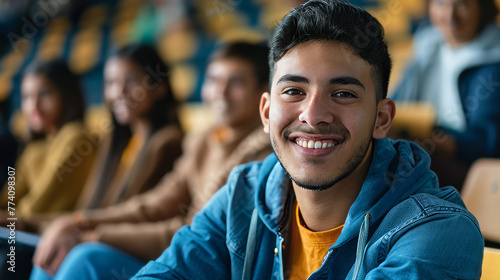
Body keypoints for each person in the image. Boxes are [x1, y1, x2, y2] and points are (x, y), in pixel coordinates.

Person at [132, 1, 484, 279]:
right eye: (294, 91)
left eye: (343, 93)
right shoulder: (241, 194)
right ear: (267, 113)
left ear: (382, 119)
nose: (313, 116)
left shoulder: (438, 232)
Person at [30, 41, 273, 279]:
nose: (220, 92)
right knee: (61, 251)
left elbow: (195, 233)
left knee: (85, 257)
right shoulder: (202, 142)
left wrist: (94, 235)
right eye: (213, 80)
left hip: (206, 265)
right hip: (178, 251)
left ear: (264, 93)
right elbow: (153, 206)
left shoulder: (264, 155)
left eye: (237, 82)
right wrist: (79, 222)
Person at [391, 0, 500, 189]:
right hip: (420, 143)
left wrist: (431, 141)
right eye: (441, 3)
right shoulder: (427, 46)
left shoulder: (494, 64)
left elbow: (486, 144)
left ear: (482, 7)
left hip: (465, 165)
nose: (450, 16)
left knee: (399, 162)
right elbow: (395, 106)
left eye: (462, 5)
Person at [73, 44, 184, 210]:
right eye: (111, 83)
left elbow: (130, 216)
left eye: (131, 81)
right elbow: (87, 211)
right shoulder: (117, 140)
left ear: (160, 87)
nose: (119, 92)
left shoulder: (167, 143)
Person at [0, 60, 96, 220]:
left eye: (44, 94)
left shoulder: (76, 137)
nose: (34, 105)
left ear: (66, 95)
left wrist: (6, 217)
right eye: (27, 96)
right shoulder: (36, 147)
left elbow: (36, 208)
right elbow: (9, 198)